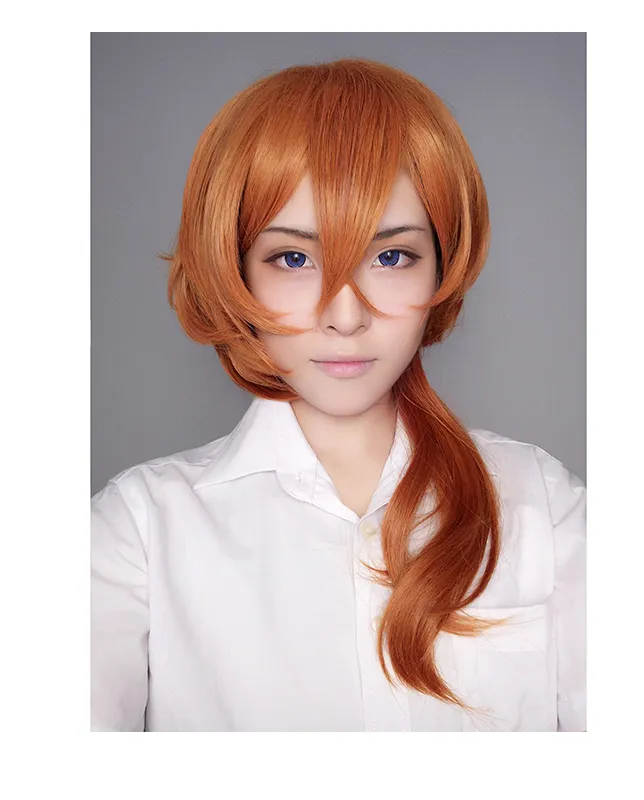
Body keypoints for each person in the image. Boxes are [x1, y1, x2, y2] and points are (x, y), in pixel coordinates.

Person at [91, 57, 586, 732]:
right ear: (235, 269)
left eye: (391, 256)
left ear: (443, 265)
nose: (345, 316)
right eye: (293, 258)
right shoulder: (138, 531)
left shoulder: (544, 507)